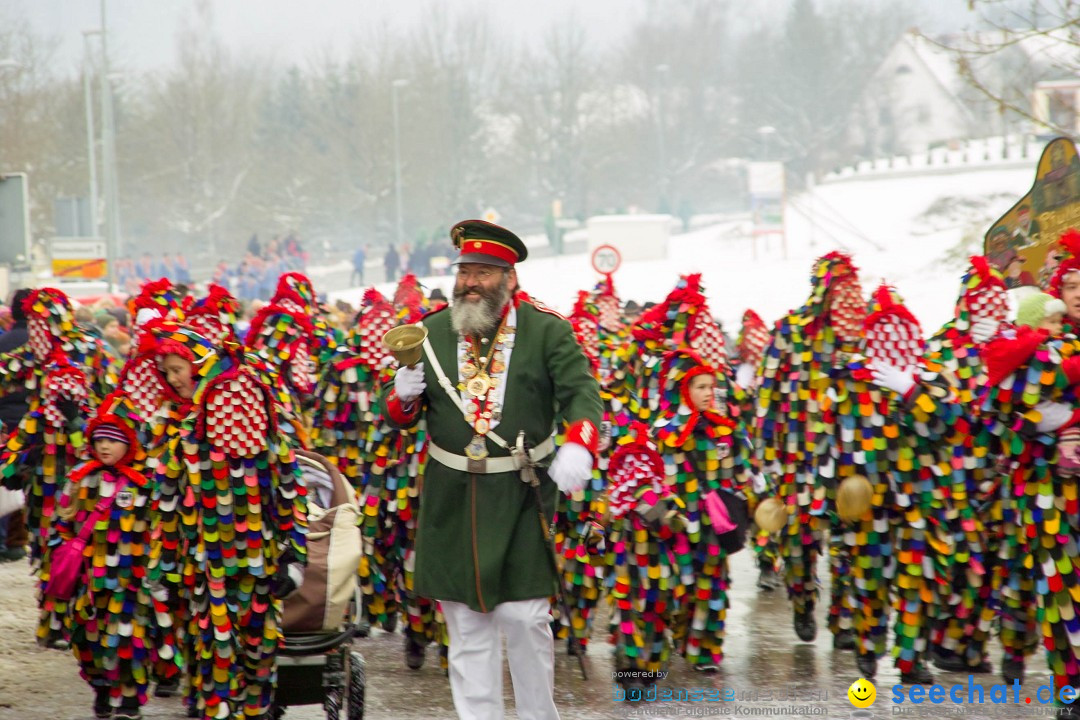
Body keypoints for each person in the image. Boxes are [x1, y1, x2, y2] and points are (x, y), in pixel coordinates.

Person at [382, 219, 602, 720]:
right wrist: (400, 397)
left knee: (525, 618)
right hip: (453, 496)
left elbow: (581, 394)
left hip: (522, 493)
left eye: (483, 272)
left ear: (509, 279)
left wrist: (580, 443)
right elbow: (396, 416)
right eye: (465, 272)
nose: (470, 283)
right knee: (466, 628)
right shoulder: (431, 331)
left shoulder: (548, 329)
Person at [51, 394, 171, 720]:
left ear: (130, 442)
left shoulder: (148, 481)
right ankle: (101, 687)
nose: (104, 446)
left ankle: (130, 701)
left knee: (130, 640)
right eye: (99, 439)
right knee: (88, 640)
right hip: (88, 581)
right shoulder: (80, 477)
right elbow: (62, 522)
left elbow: (160, 527)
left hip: (131, 582)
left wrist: (155, 567)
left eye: (112, 440)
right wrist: (61, 552)